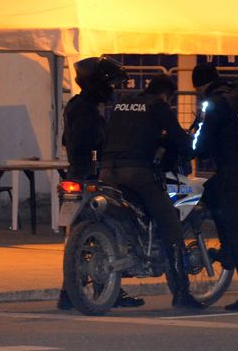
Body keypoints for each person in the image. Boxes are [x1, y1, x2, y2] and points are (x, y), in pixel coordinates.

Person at [100, 74, 203, 309]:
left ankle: (105, 286)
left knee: (121, 220)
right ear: (167, 95)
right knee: (171, 222)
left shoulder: (123, 103)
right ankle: (181, 292)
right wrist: (189, 148)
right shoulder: (158, 106)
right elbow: (180, 139)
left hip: (106, 172)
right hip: (136, 172)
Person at [57, 56, 144, 309]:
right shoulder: (85, 109)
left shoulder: (78, 105)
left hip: (79, 174)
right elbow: (91, 142)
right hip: (91, 177)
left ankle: (71, 293)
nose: (114, 90)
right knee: (111, 230)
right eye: (111, 85)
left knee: (85, 237)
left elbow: (67, 140)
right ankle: (105, 289)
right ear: (98, 84)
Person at [191, 62, 238, 311]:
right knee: (211, 193)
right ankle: (227, 249)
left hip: (233, 170)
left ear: (200, 85)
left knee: (237, 232)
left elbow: (199, 144)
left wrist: (183, 147)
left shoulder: (214, 104)